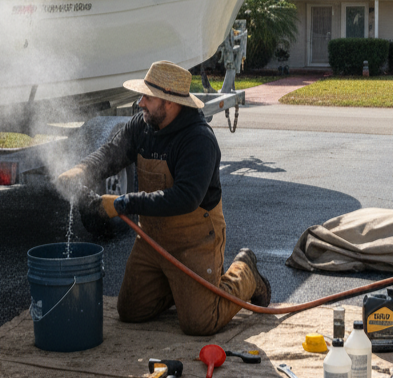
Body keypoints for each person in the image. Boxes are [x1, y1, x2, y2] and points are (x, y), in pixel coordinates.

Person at [56, 60, 271, 336]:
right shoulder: (142, 125)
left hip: (194, 241)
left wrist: (122, 203)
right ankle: (181, 287)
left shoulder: (198, 139)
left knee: (200, 323)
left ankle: (246, 272)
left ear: (169, 102)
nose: (140, 103)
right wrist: (82, 170)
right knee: (131, 311)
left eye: (148, 97)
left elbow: (185, 198)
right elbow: (112, 152)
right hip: (152, 238)